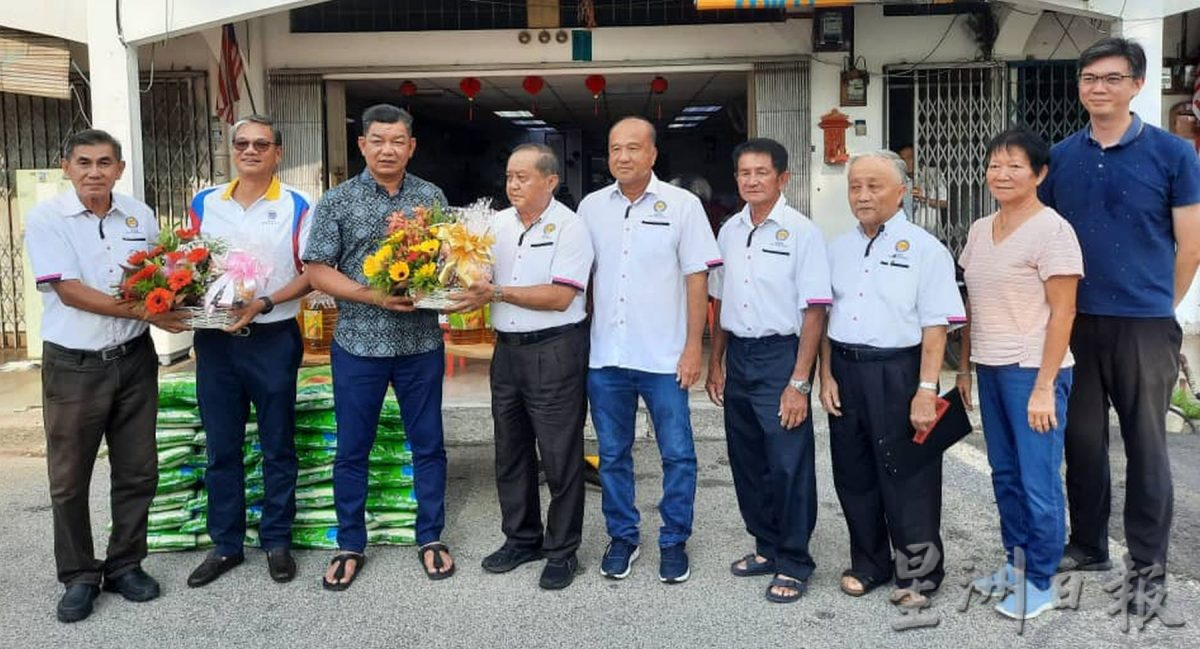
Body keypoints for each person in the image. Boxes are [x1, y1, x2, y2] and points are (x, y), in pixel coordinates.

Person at [1040, 37, 1200, 593]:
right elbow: (1046, 238)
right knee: (1080, 441)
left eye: (1111, 78)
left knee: (1146, 444)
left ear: (1136, 84)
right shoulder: (1060, 157)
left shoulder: (1174, 154)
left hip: (1144, 324)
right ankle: (1087, 545)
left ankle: (1148, 565)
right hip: (1075, 321)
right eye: (1089, 78)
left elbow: (1190, 247)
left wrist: (1161, 308)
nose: (1098, 88)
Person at [24, 129, 189, 622]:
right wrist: (149, 310)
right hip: (74, 365)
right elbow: (68, 291)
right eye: (84, 163)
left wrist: (184, 292)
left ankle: (125, 564)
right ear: (66, 167)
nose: (94, 172)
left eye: (104, 163)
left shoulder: (139, 214)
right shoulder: (48, 218)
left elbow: (163, 273)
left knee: (138, 469)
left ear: (119, 168)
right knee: (70, 478)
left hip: (134, 359)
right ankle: (78, 574)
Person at [303, 104, 455, 589]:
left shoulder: (431, 198)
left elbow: (448, 261)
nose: (387, 149)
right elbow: (317, 268)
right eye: (378, 140)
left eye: (397, 141)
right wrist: (374, 295)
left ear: (411, 146)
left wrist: (448, 282)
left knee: (428, 445)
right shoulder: (338, 201)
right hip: (358, 345)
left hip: (420, 344)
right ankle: (350, 542)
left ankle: (430, 536)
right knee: (352, 449)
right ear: (362, 145)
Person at [578, 116, 721, 584]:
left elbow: (697, 278)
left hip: (664, 358)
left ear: (653, 154)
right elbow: (581, 279)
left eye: (633, 148)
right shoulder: (592, 207)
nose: (623, 157)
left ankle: (673, 539)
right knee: (613, 454)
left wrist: (692, 349)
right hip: (607, 358)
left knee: (678, 454)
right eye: (616, 148)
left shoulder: (682, 206)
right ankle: (623, 537)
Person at [819, 150, 965, 607]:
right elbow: (825, 315)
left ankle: (919, 575)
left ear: (901, 192)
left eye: (874, 186)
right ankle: (870, 563)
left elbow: (935, 325)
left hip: (900, 372)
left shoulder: (926, 249)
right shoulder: (837, 247)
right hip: (845, 369)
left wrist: (926, 390)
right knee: (854, 472)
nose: (862, 195)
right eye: (855, 186)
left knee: (910, 477)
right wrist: (826, 375)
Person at [451, 144, 594, 590]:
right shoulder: (495, 223)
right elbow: (475, 272)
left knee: (559, 455)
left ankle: (562, 550)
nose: (513, 184)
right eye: (510, 176)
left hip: (555, 349)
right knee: (510, 450)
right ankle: (522, 538)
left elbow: (560, 296)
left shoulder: (570, 227)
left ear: (550, 181)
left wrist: (496, 293)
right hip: (508, 351)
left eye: (523, 177)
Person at [956, 128, 1083, 619]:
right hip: (990, 366)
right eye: (994, 164)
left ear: (1040, 174)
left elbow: (1064, 314)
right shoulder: (979, 229)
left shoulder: (1053, 230)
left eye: (1015, 166)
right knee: (1005, 473)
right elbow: (971, 305)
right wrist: (965, 368)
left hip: (1033, 370)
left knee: (1037, 478)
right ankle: (1016, 564)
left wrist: (1045, 387)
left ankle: (1041, 579)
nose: (1002, 174)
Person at [184, 115, 313, 588]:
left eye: (262, 144)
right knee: (222, 448)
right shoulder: (205, 202)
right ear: (231, 150)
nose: (251, 150)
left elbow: (312, 271)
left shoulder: (298, 204)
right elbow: (187, 263)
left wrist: (263, 301)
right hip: (216, 341)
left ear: (278, 152)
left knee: (278, 444)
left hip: (272, 338)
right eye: (242, 143)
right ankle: (226, 545)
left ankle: (277, 541)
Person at [705, 138, 831, 603]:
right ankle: (766, 546)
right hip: (739, 355)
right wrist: (715, 362)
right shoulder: (730, 231)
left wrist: (800, 381)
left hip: (783, 356)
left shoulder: (803, 232)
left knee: (788, 462)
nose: (751, 181)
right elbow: (719, 301)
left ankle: (795, 560)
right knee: (748, 460)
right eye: (744, 173)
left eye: (761, 172)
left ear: (783, 178)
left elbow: (815, 311)